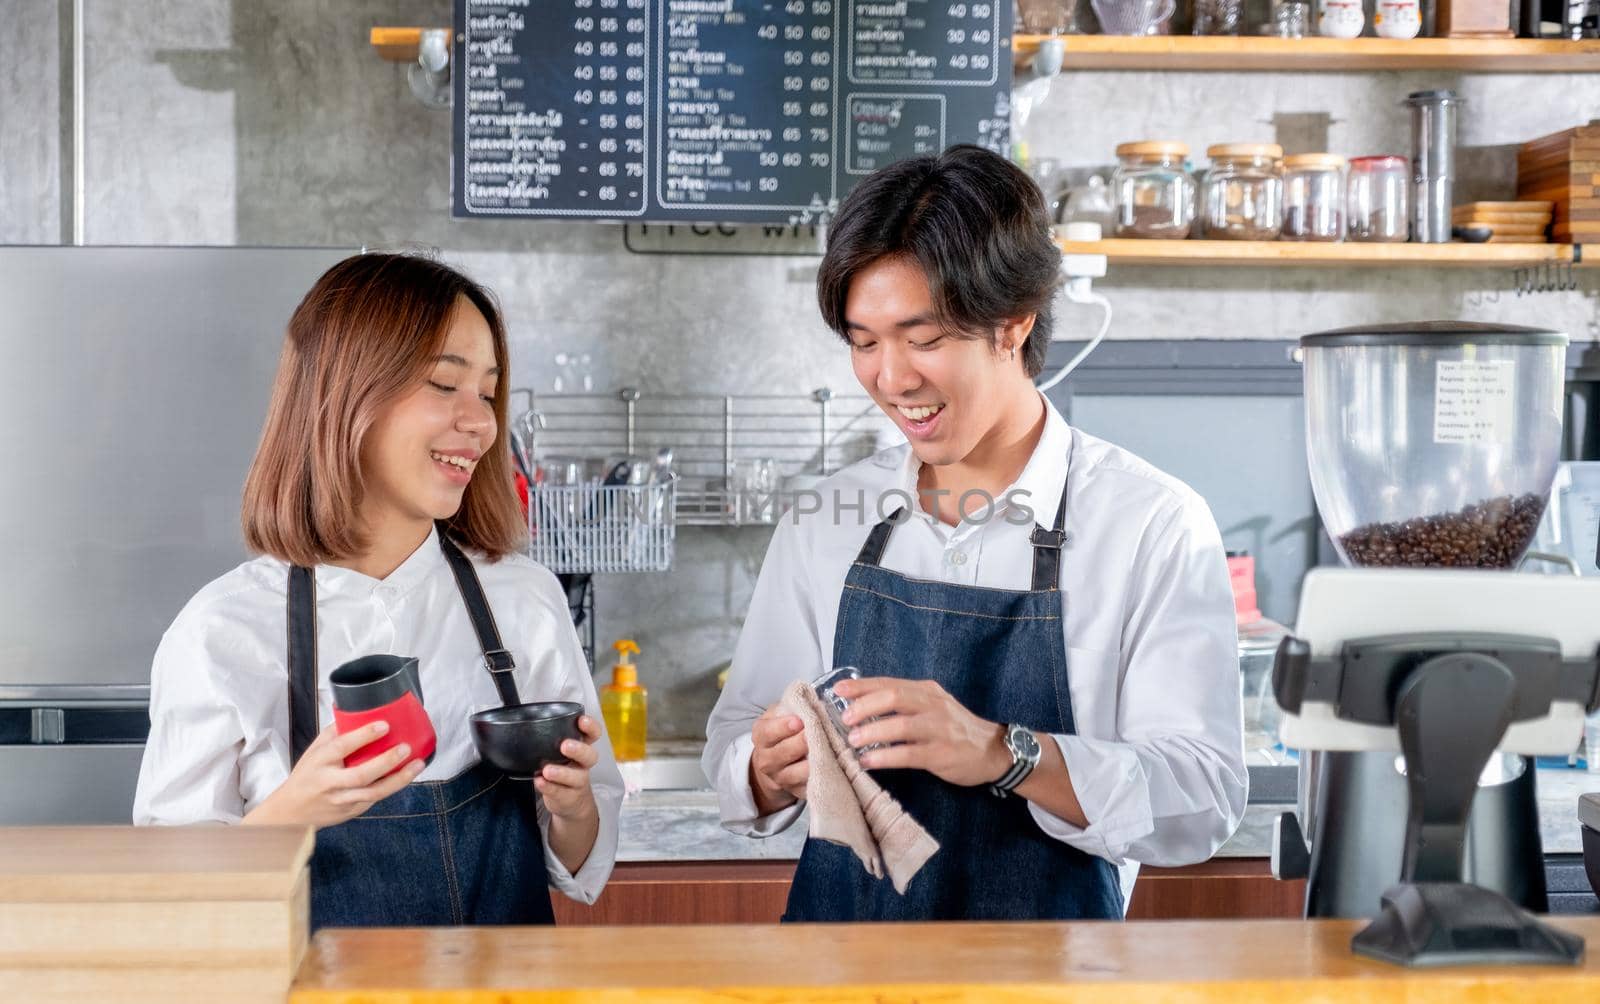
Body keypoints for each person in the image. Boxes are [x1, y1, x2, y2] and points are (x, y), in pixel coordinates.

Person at [704, 145, 1247, 921]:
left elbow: (1200, 795)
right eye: (864, 342)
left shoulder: (1150, 524)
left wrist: (1003, 753)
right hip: (843, 973)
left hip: (1052, 980)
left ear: (1013, 324)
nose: (891, 379)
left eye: (923, 339)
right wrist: (765, 768)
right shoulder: (827, 519)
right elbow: (735, 745)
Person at [134, 253, 621, 928]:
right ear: (344, 394)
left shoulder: (524, 600)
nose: (480, 424)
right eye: (444, 384)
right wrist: (292, 811)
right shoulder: (223, 630)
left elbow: (579, 861)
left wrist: (573, 808)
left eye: (486, 392)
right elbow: (173, 897)